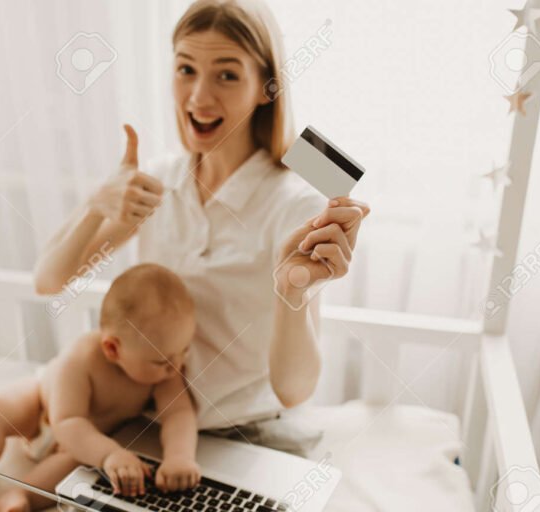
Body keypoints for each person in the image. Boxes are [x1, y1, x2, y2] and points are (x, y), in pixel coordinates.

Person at [35, 0, 369, 455]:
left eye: (227, 75)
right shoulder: (159, 181)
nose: (198, 97)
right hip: (149, 422)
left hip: (244, 432)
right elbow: (48, 281)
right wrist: (95, 205)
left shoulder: (295, 204)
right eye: (186, 70)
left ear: (266, 88)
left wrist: (290, 293)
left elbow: (294, 392)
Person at [0, 264, 200, 512]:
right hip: (44, 409)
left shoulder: (164, 372)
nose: (176, 365)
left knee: (81, 460)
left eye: (184, 350)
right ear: (112, 349)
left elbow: (179, 414)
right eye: (162, 360)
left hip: (83, 441)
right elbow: (67, 421)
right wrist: (111, 454)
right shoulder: (81, 359)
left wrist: (179, 457)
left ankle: (23, 495)